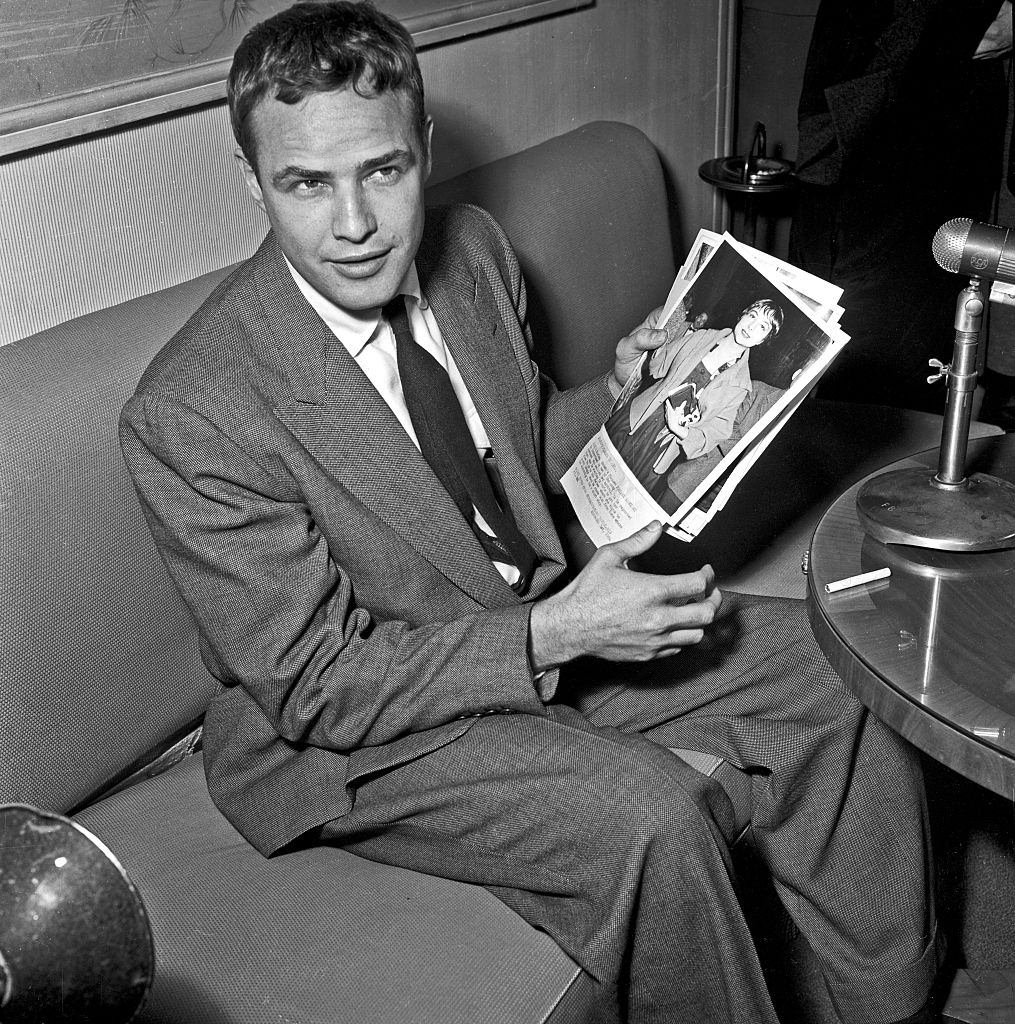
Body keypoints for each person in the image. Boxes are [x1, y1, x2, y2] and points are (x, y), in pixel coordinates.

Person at [119, 4, 943, 1022]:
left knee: (840, 670)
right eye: (304, 184)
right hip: (360, 730)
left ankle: (894, 1002)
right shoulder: (192, 409)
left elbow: (507, 456)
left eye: (381, 170)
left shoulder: (471, 252)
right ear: (252, 180)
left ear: (421, 147)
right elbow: (317, 689)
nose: (354, 225)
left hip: (535, 615)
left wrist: (620, 391)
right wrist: (554, 631)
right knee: (658, 818)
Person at [789, 0, 1010, 413]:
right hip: (894, 131)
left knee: (883, 367)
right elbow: (989, 32)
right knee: (867, 375)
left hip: (889, 128)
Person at [606, 299, 783, 506]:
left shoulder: (741, 385)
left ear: (764, 339)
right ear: (742, 315)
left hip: (663, 446)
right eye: (752, 315)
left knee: (624, 503)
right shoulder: (701, 337)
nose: (752, 326)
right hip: (638, 416)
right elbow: (657, 366)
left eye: (763, 326)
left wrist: (682, 431)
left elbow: (718, 430)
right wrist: (673, 327)